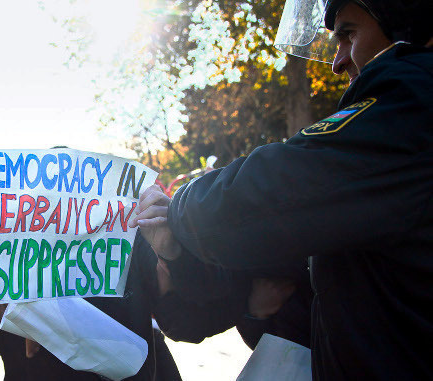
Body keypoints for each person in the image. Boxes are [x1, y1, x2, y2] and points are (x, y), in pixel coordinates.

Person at [132, 1, 433, 380]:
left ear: (411, 26)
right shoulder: (381, 170)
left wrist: (180, 209)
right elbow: (232, 282)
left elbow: (268, 190)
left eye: (348, 34)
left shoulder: (411, 110)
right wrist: (175, 252)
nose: (338, 62)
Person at [0, 146, 182, 381]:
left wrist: (170, 250)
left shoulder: (131, 237)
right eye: (44, 202)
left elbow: (185, 319)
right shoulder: (2, 261)